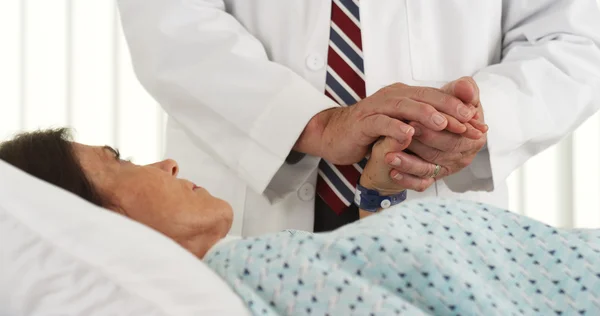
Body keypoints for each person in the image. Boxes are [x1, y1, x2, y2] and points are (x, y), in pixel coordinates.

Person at [117, 0, 600, 235]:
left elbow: (571, 38)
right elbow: (171, 25)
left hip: (442, 211)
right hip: (248, 203)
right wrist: (314, 125)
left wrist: (465, 122)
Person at [1, 128, 599, 315]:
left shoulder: (244, 266)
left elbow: (350, 274)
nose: (166, 161)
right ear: (91, 219)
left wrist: (375, 200)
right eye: (118, 161)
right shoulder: (232, 281)